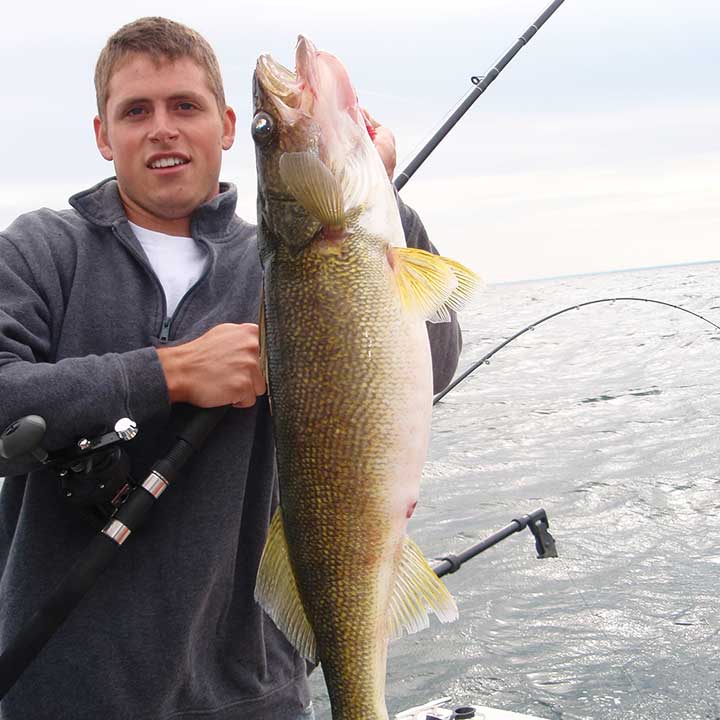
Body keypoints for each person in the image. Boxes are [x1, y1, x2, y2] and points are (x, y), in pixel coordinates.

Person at [0, 16, 463, 720]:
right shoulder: (41, 253)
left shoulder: (284, 265)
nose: (163, 128)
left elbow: (431, 366)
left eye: (185, 107)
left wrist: (386, 199)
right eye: (136, 111)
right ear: (102, 135)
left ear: (222, 127)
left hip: (255, 694)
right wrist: (168, 374)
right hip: (65, 690)